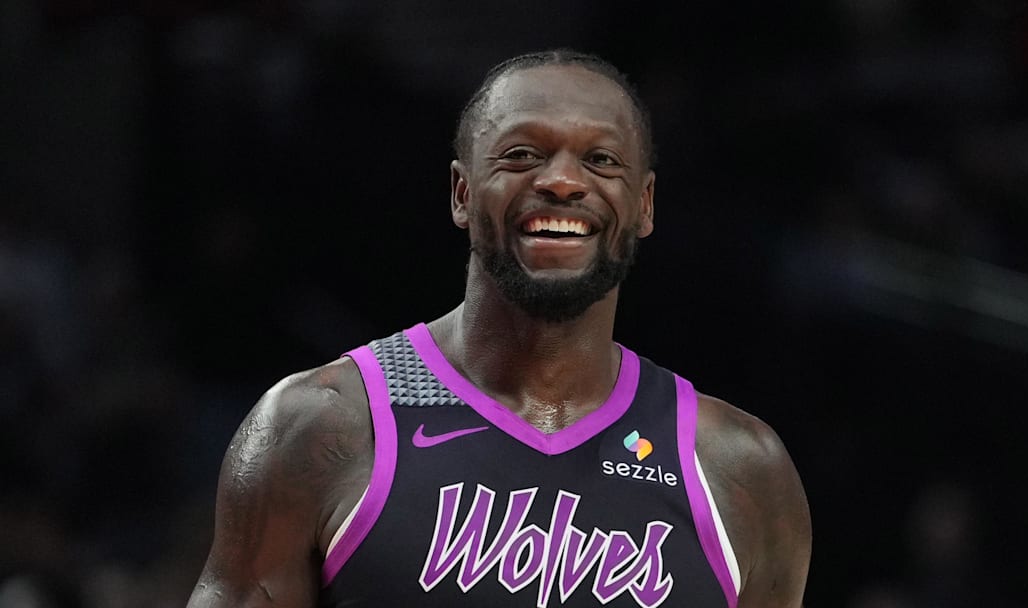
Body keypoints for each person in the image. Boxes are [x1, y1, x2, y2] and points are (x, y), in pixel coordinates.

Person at [186, 48, 811, 608]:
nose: (563, 181)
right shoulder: (317, 426)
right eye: (522, 155)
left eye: (601, 160)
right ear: (462, 193)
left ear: (643, 205)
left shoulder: (741, 470)